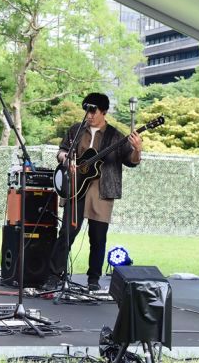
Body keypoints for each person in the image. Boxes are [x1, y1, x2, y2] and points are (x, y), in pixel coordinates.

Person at [45, 92, 142, 292]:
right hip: (75, 188)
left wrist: (137, 149)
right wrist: (66, 159)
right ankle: (54, 276)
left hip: (102, 190)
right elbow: (61, 151)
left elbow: (131, 161)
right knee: (67, 233)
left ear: (104, 112)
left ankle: (93, 280)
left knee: (98, 237)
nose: (89, 115)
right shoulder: (76, 130)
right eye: (86, 111)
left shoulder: (115, 135)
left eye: (93, 111)